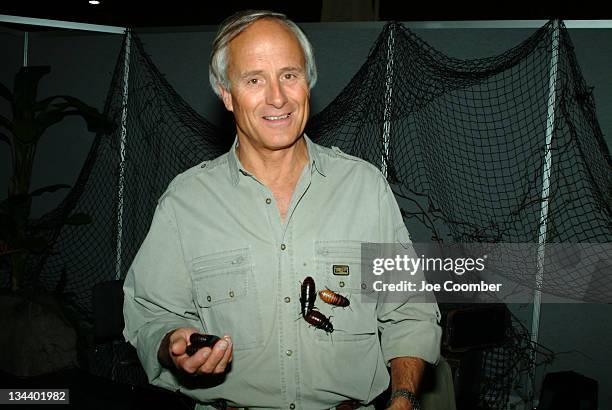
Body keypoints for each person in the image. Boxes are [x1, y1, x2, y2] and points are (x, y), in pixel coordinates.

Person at [123, 10, 442, 410]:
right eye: (254, 80)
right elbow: (150, 314)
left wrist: (403, 398)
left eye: (289, 75)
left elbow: (409, 311)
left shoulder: (364, 188)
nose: (277, 97)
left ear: (307, 82)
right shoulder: (186, 202)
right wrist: (172, 344)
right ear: (226, 93)